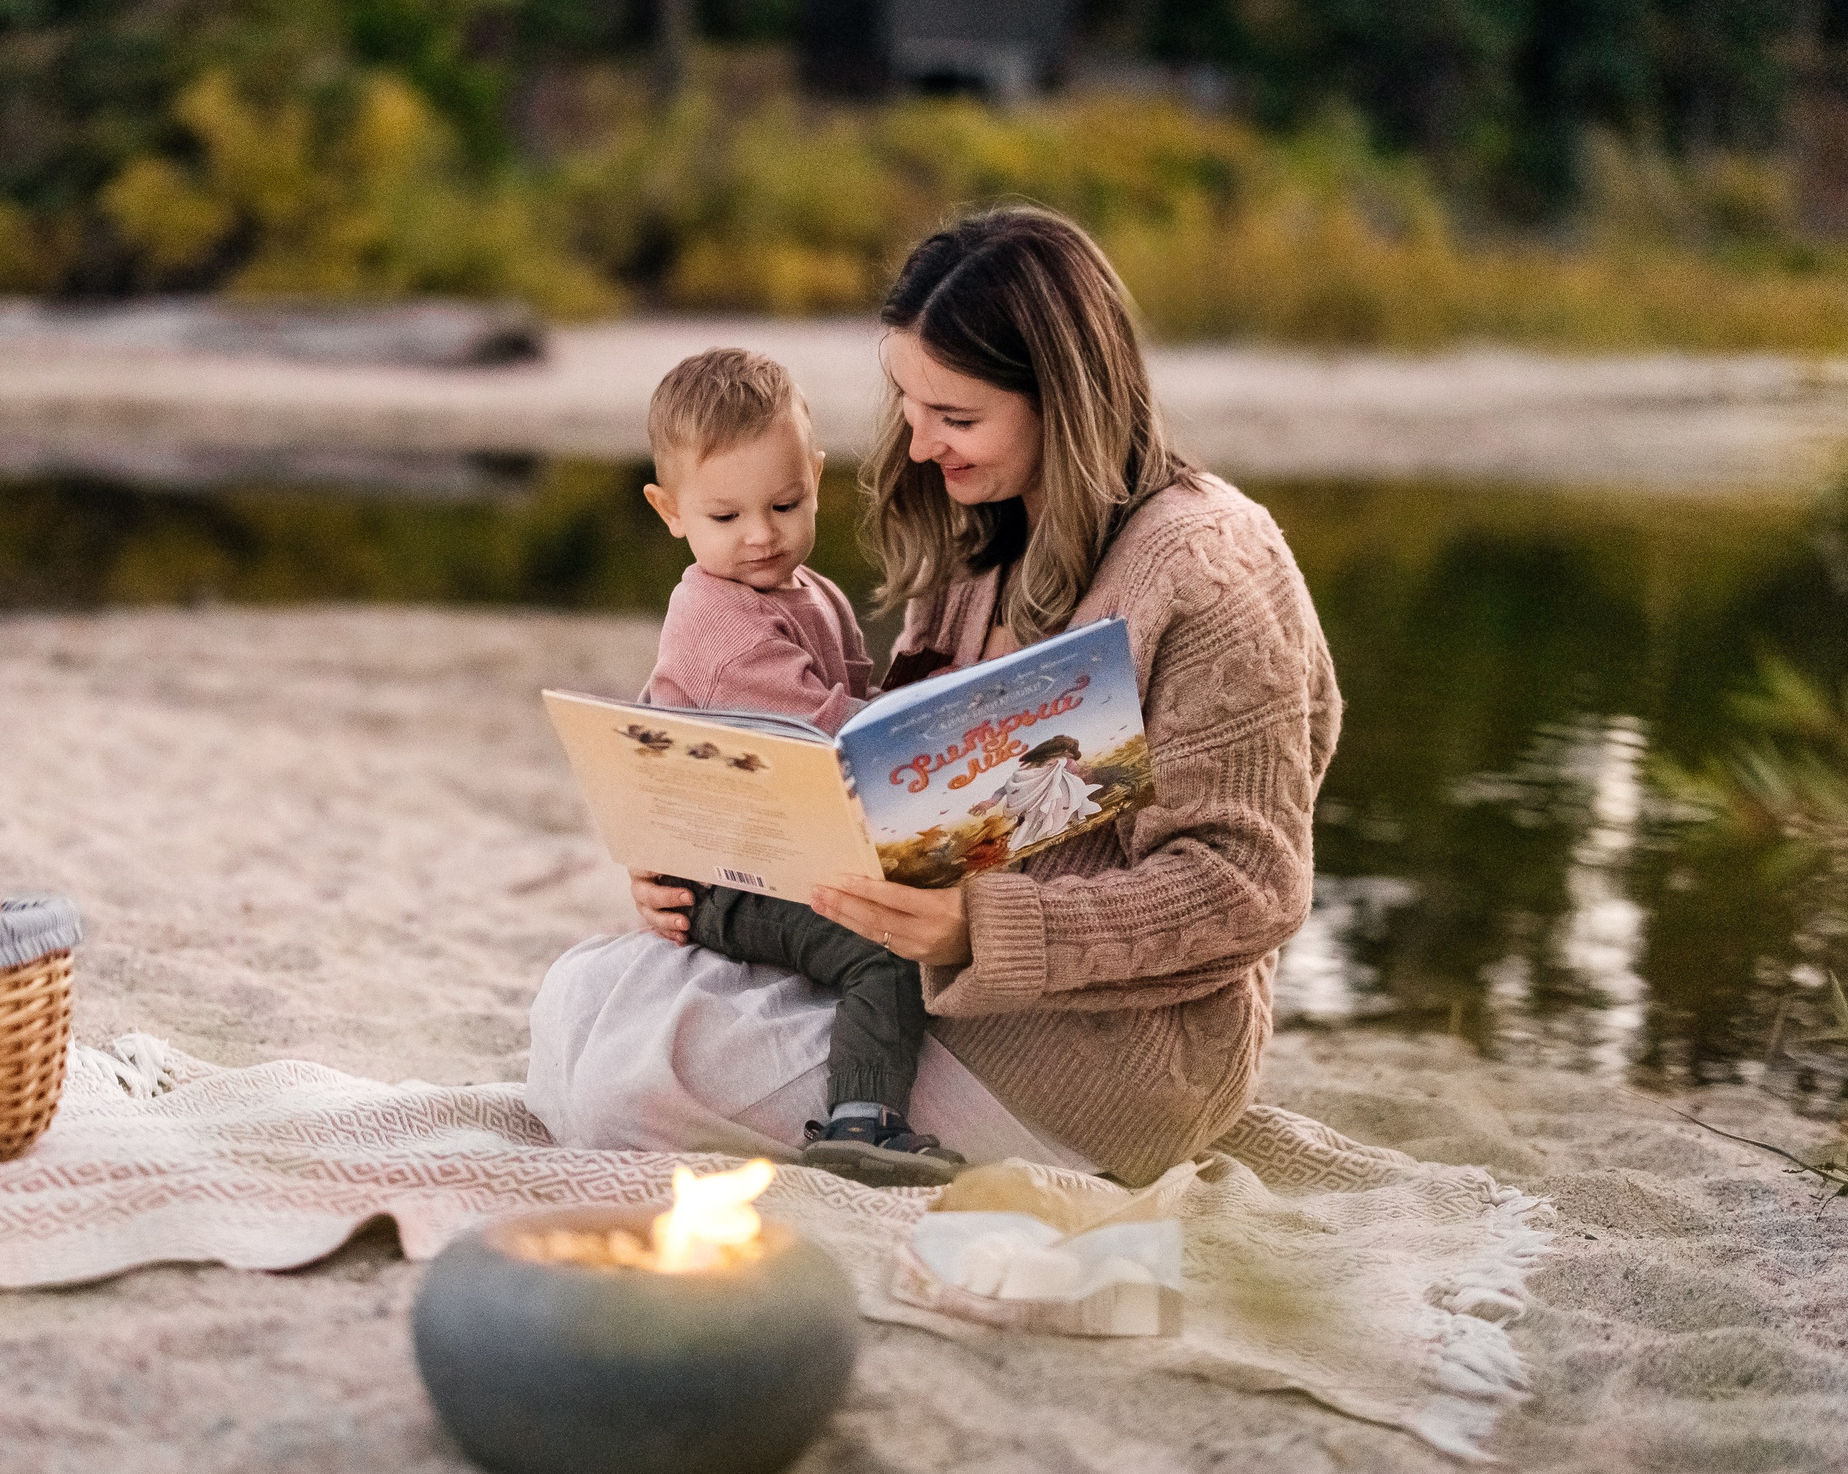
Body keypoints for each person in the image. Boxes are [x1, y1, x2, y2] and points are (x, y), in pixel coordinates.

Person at [528, 207, 1341, 1184]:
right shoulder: (982, 532)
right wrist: (710, 857)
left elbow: (1248, 887)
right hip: (915, 987)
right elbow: (884, 788)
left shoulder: (1207, 569)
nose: (918, 449)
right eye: (910, 405)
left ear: (1065, 401)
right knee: (583, 996)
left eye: (955, 419)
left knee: (627, 1077)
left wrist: (978, 930)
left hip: (1093, 1053)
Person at [634, 347, 960, 1185]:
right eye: (725, 516)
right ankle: (862, 1120)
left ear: (815, 475)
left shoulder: (813, 592)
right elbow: (828, 735)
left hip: (780, 835)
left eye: (786, 503)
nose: (761, 535)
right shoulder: (715, 619)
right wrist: (937, 727)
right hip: (723, 871)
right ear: (669, 511)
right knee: (884, 945)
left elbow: (847, 696)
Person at [976, 735, 1100, 850]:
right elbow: (1007, 787)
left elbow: (1077, 780)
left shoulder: (1065, 764)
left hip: (1057, 806)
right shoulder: (1028, 769)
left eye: (1064, 753)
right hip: (1030, 812)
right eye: (1058, 753)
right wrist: (991, 802)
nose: (1059, 757)